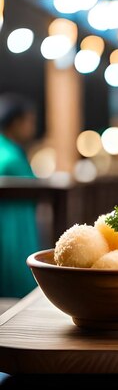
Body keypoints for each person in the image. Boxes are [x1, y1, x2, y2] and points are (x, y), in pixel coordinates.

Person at [0, 93, 39, 297]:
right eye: (29, 121)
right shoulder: (12, 158)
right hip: (12, 225)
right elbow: (34, 187)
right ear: (16, 123)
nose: (32, 127)